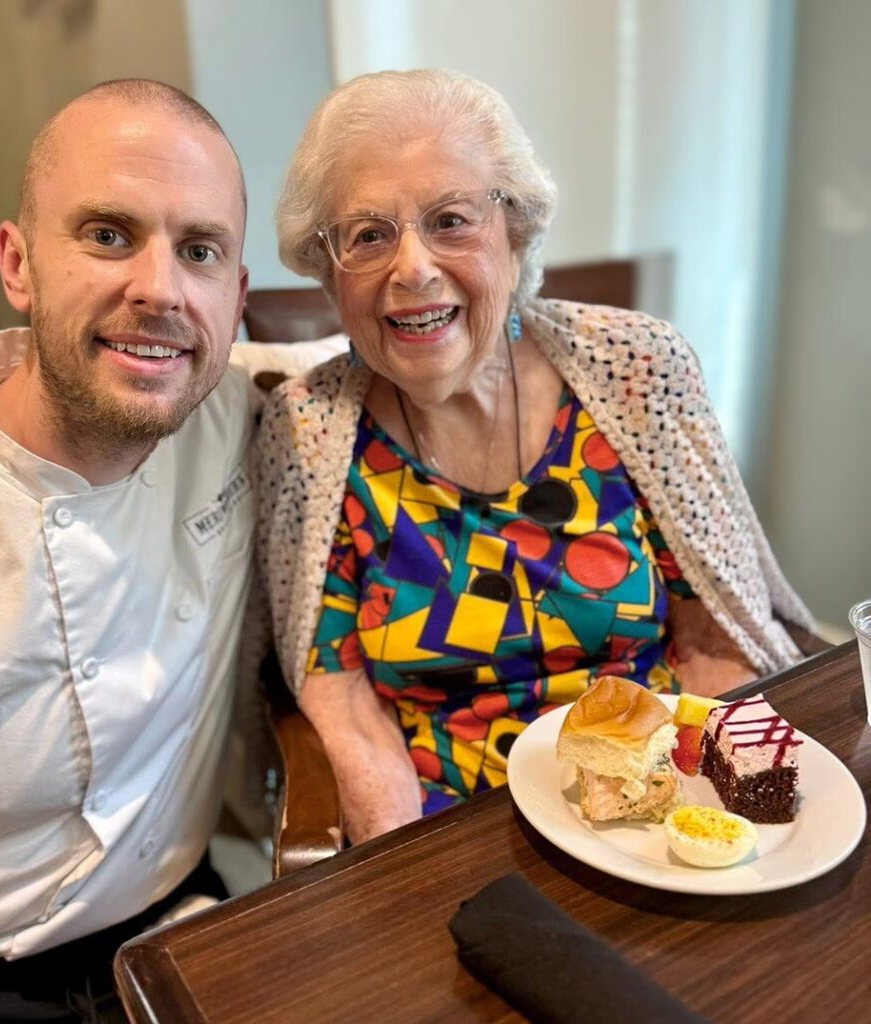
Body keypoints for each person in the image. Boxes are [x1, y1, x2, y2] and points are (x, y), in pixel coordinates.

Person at [256, 69, 816, 845]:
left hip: (654, 805)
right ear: (329, 271)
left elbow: (713, 643)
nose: (412, 268)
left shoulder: (637, 370)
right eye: (368, 234)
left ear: (515, 234)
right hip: (450, 829)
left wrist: (710, 837)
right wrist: (408, 886)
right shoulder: (307, 433)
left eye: (451, 220)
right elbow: (344, 705)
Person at [0, 79, 253, 1022]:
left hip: (179, 926)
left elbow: (424, 364)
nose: (159, 289)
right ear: (18, 264)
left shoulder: (241, 408)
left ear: (236, 300)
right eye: (109, 235)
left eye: (198, 250)